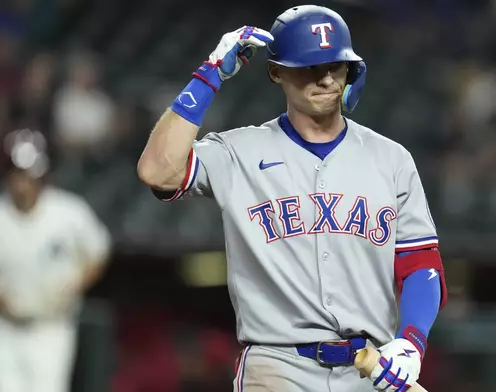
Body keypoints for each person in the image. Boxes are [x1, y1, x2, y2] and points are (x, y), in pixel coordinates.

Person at [137, 5, 447, 392]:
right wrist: (210, 73)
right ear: (276, 71)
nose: (326, 78)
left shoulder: (392, 159)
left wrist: (411, 343)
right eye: (308, 68)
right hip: (276, 365)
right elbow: (157, 171)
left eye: (335, 65)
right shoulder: (239, 152)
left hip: (370, 367)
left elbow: (421, 264)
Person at [0, 128, 112, 392]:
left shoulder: (68, 212)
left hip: (52, 328)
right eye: (17, 173)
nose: (23, 181)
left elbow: (99, 252)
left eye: (29, 174)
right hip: (6, 328)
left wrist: (74, 285)